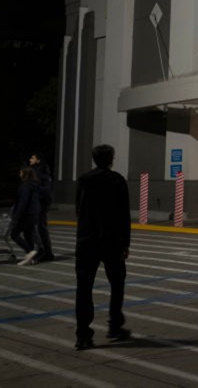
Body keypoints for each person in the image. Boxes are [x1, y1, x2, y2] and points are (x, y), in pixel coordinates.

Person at [74, 144, 131, 351]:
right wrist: (125, 243)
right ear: (111, 159)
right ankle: (115, 325)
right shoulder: (117, 180)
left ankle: (83, 335)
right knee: (117, 284)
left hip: (87, 241)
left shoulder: (83, 180)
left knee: (84, 288)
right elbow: (124, 215)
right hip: (111, 241)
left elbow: (78, 210)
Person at [10, 167, 42, 265]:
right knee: (28, 235)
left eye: (20, 173)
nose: (19, 174)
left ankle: (30, 251)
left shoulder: (25, 186)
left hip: (25, 214)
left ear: (25, 174)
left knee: (14, 234)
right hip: (33, 214)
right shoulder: (34, 185)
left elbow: (22, 202)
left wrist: (16, 216)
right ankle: (31, 258)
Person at [28, 153, 54, 261]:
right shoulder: (38, 171)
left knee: (40, 228)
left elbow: (43, 188)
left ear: (38, 160)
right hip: (41, 202)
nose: (30, 159)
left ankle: (46, 252)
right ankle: (44, 251)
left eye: (32, 158)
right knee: (38, 228)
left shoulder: (39, 172)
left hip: (41, 203)